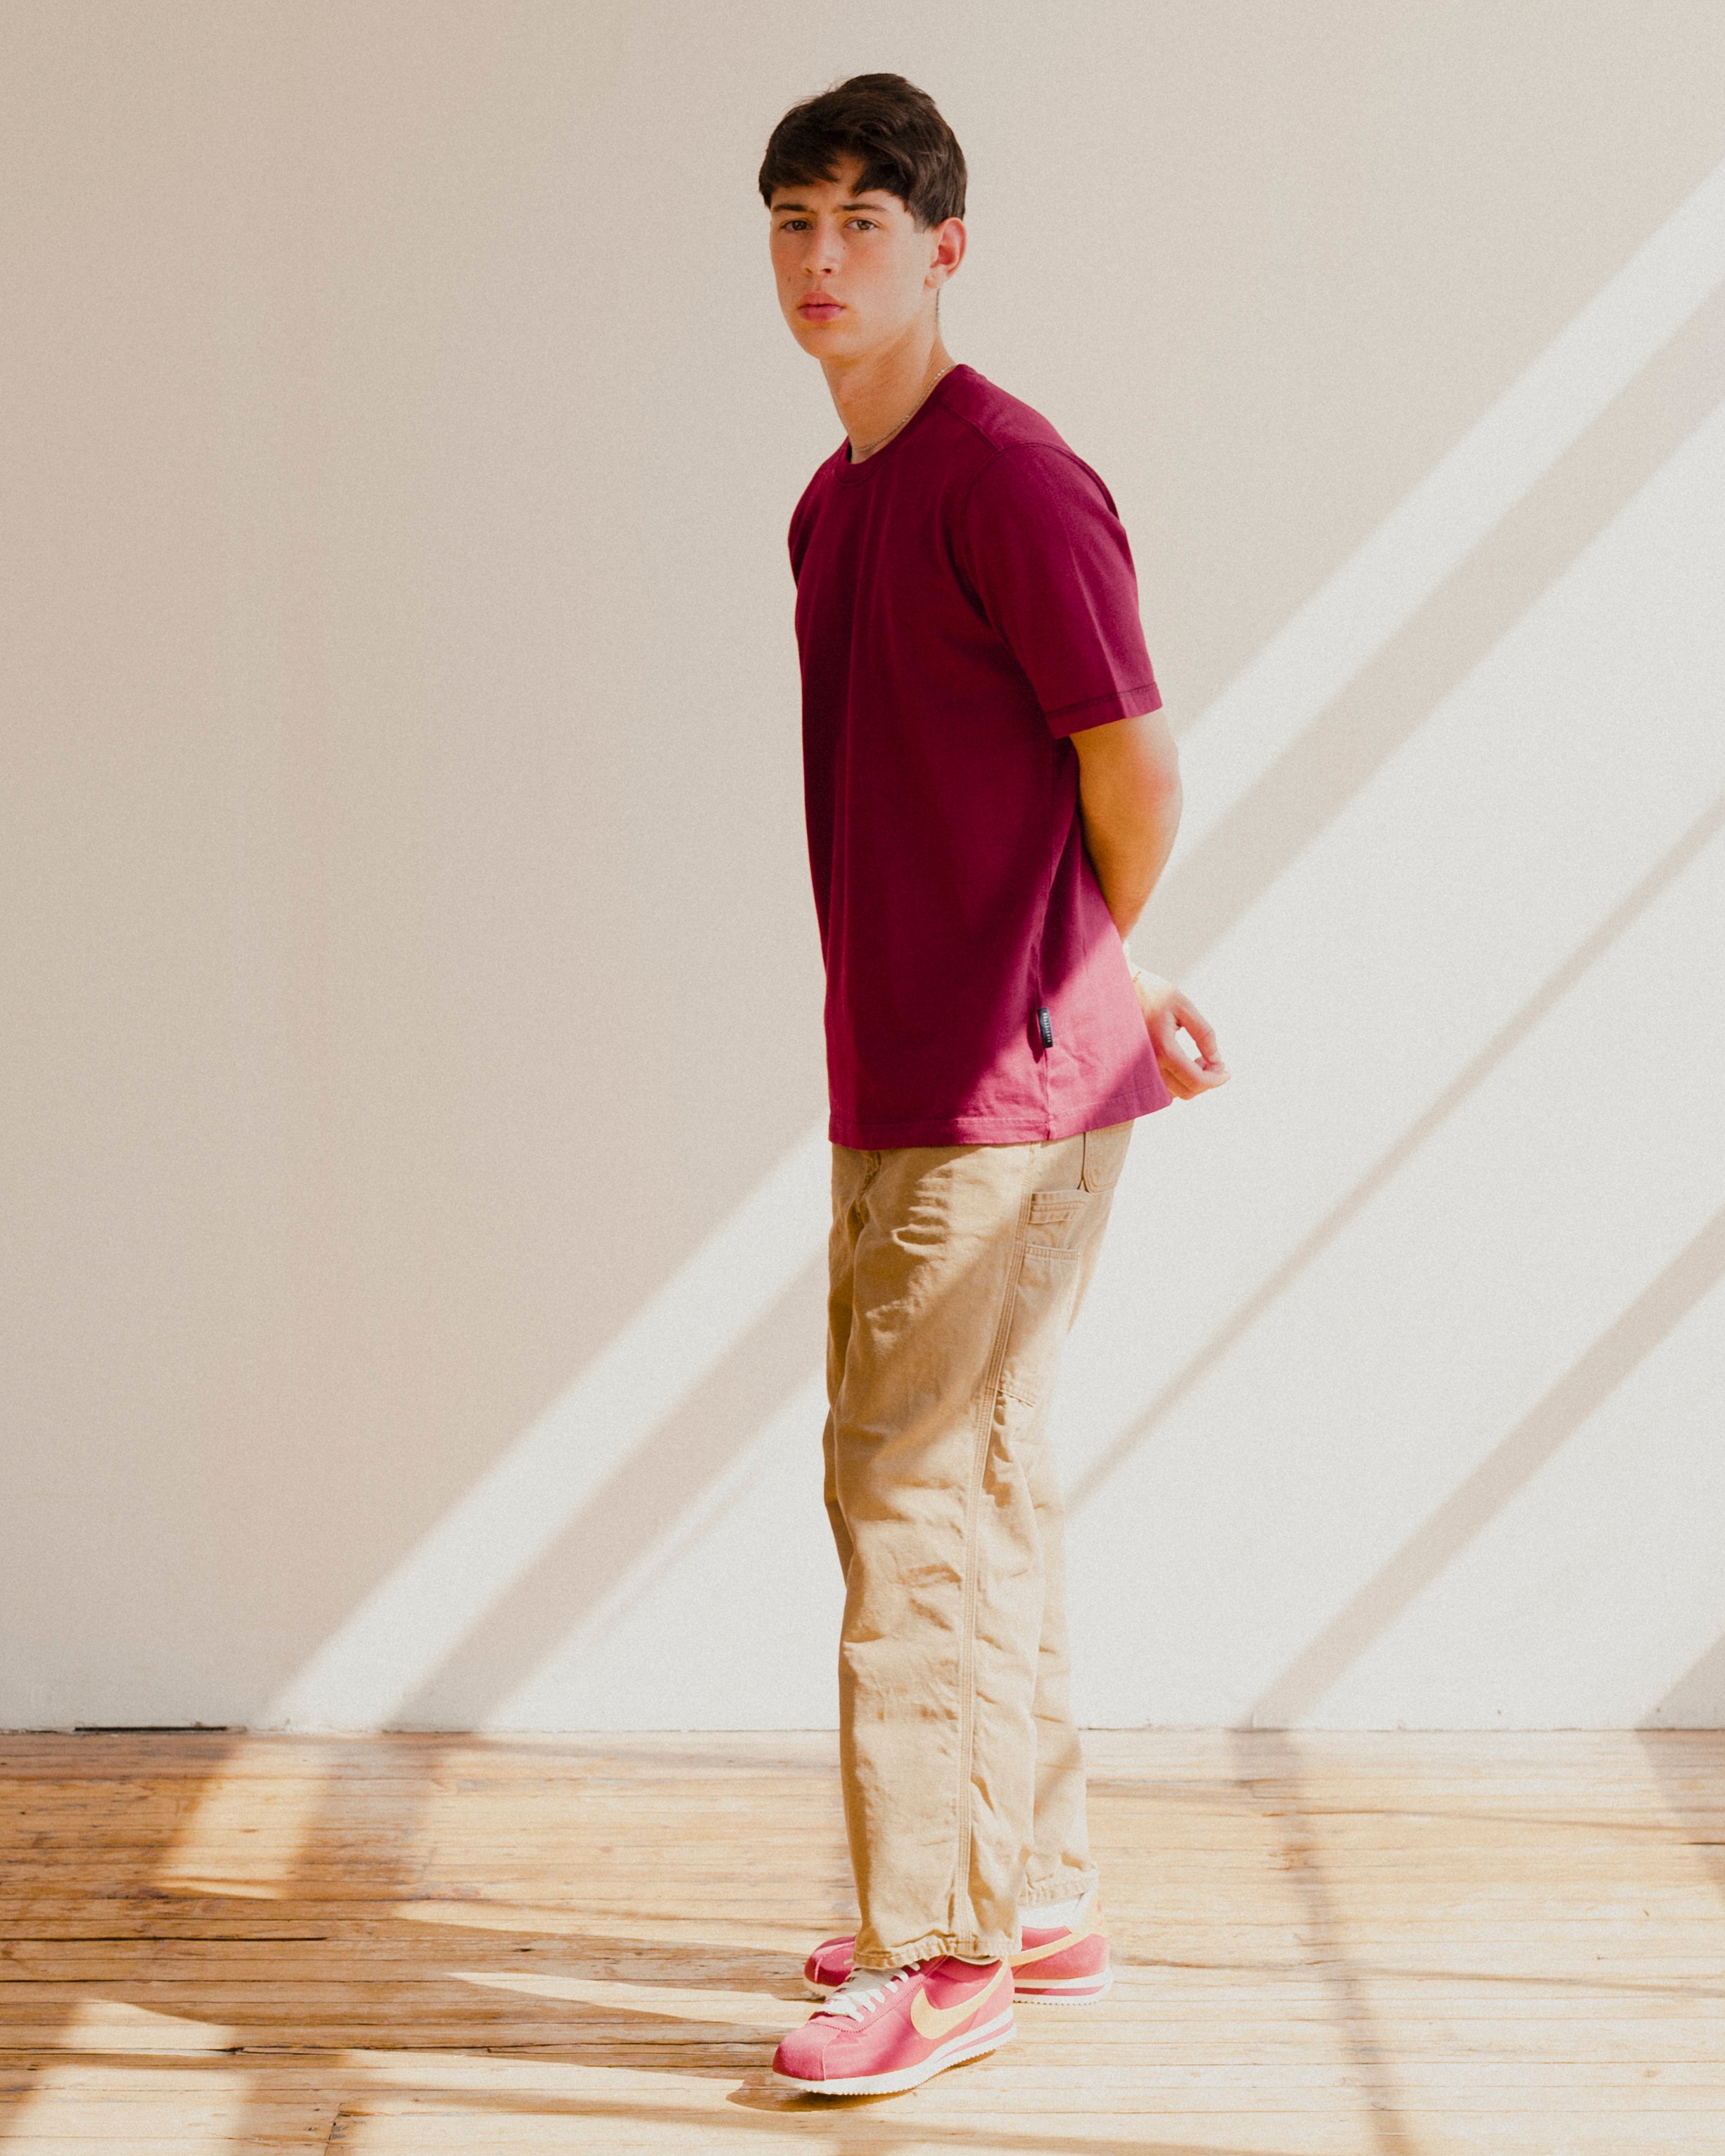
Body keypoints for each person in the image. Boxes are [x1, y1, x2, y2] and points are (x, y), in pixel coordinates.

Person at [760, 73, 1228, 2098]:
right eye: (790, 223)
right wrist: (1096, 970)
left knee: (902, 1491)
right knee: (981, 1481)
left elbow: (1131, 768)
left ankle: (936, 1949)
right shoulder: (835, 499)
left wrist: (1072, 972)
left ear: (945, 246)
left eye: (860, 220)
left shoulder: (1010, 482)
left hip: (995, 1091)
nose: (818, 260)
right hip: (917, 1067)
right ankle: (1024, 1885)